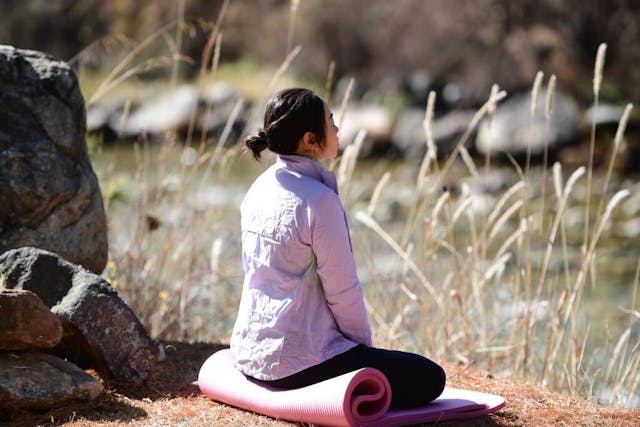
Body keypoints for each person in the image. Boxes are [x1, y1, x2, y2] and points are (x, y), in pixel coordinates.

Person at [230, 88, 446, 409]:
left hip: (249, 353)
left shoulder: (258, 187)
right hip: (298, 364)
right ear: (309, 140)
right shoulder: (319, 202)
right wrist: (362, 353)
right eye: (330, 122)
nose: (336, 129)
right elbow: (342, 290)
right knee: (430, 377)